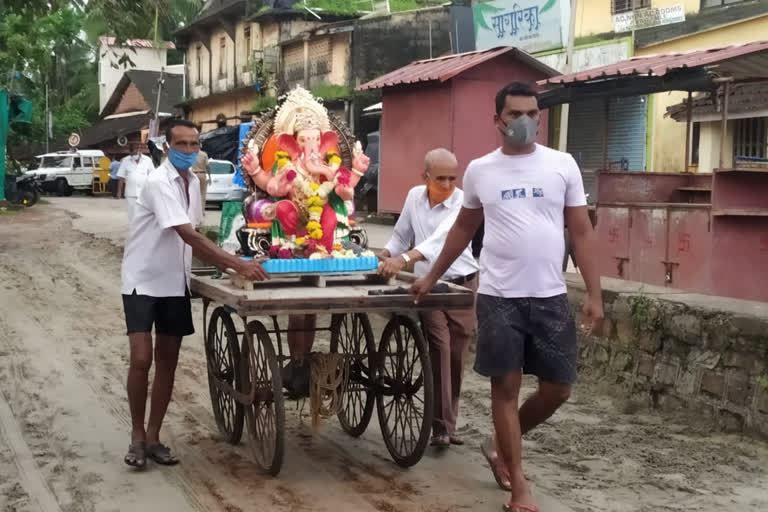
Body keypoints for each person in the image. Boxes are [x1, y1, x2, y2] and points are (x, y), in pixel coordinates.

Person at [410, 82, 604, 512]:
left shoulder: (562, 165)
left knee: (559, 389)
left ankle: (499, 445)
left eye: (532, 114)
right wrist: (431, 276)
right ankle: (519, 485)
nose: (525, 122)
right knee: (506, 390)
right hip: (499, 297)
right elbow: (462, 230)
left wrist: (595, 293)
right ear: (497, 120)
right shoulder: (482, 170)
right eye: (515, 114)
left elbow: (582, 230)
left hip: (550, 296)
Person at [121, 119, 269, 469]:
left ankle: (155, 436)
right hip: (141, 279)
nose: (189, 150)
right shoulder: (159, 183)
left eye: (194, 144)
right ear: (166, 147)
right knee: (142, 358)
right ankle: (137, 435)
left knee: (168, 361)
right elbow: (190, 236)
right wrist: (238, 264)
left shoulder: (192, 182)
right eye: (182, 144)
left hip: (174, 282)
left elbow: (199, 234)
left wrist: (228, 265)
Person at [378, 148, 479, 447]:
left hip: (463, 286)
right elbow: (400, 235)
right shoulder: (413, 197)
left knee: (457, 356)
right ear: (425, 177)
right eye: (441, 179)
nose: (447, 185)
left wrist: (405, 259)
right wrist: (386, 254)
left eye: (452, 178)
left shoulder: (463, 201)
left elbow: (444, 239)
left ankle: (448, 421)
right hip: (428, 286)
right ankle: (440, 427)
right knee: (439, 348)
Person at [117, 143, 155, 222]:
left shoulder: (147, 160)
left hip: (144, 192)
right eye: (132, 153)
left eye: (135, 152)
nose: (134, 155)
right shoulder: (125, 160)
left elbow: (152, 176)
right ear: (130, 152)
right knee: (132, 215)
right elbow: (121, 176)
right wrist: (119, 192)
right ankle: (134, 231)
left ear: (139, 150)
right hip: (131, 193)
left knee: (144, 214)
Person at [190, 150, 210, 225]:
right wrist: (209, 175)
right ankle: (201, 212)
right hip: (202, 174)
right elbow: (207, 166)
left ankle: (194, 212)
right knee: (202, 194)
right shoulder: (204, 154)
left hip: (193, 174)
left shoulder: (192, 154)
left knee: (193, 194)